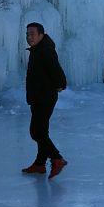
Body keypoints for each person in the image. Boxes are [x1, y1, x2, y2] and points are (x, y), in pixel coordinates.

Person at [21, 22, 68, 179]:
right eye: (27, 34)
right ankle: (40, 164)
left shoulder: (45, 51)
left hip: (44, 98)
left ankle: (57, 158)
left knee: (36, 132)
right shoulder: (38, 50)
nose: (29, 37)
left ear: (41, 34)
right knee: (42, 131)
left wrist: (61, 85)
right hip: (38, 97)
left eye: (32, 34)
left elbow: (58, 73)